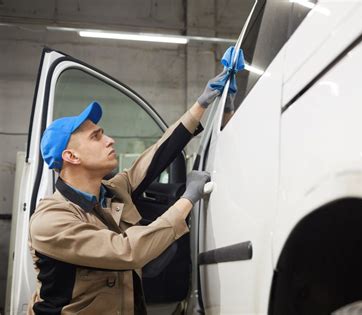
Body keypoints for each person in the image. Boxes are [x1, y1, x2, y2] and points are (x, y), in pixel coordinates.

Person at [27, 71, 227, 315]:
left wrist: (201, 104)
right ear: (71, 157)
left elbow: (155, 157)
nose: (110, 140)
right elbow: (127, 251)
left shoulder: (112, 191)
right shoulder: (51, 220)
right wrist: (187, 200)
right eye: (96, 137)